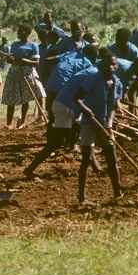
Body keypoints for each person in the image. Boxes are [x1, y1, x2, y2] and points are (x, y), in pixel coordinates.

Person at [23, 44, 100, 178]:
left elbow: (50, 60)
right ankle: (30, 169)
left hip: (56, 92)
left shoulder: (72, 54)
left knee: (76, 133)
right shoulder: (90, 69)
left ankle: (93, 165)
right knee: (58, 141)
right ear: (95, 57)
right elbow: (81, 95)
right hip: (65, 102)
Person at [70, 56, 124, 205]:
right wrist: (86, 110)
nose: (111, 67)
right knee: (86, 160)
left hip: (105, 124)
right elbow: (77, 98)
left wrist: (110, 124)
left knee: (111, 158)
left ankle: (118, 193)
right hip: (89, 122)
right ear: (102, 66)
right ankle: (82, 197)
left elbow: (113, 106)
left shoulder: (117, 83)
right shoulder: (93, 79)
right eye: (108, 64)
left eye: (114, 64)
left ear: (117, 66)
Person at [2, 25, 42, 128]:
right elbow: (10, 60)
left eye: (20, 31)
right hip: (14, 72)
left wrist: (24, 61)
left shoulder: (33, 46)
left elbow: (36, 62)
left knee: (26, 98)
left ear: (26, 32)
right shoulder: (14, 44)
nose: (18, 33)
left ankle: (22, 122)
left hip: (27, 73)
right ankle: (8, 123)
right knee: (11, 99)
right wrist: (9, 59)